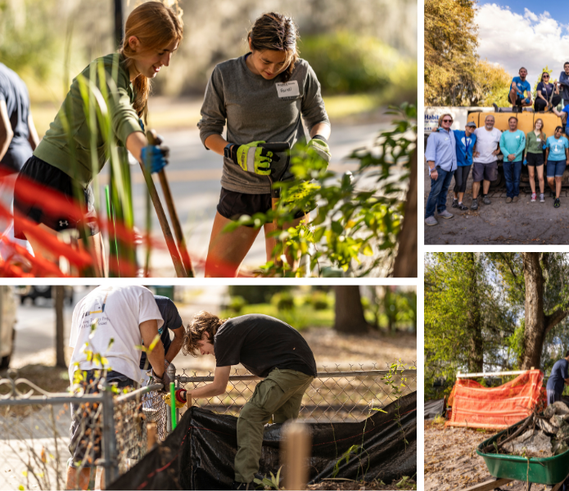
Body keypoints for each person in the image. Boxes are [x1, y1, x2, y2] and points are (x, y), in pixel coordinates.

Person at [13, 2, 182, 276]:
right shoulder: (107, 72)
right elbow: (120, 115)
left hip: (76, 186)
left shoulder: (131, 82)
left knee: (99, 276)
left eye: (171, 53)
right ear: (134, 43)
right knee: (66, 279)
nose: (166, 62)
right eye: (161, 52)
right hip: (48, 182)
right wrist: (142, 150)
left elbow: (121, 126)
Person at [199, 13, 331, 277]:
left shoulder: (301, 71)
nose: (272, 70)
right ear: (251, 44)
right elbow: (208, 132)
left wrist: (319, 142)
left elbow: (319, 119)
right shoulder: (225, 75)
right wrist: (235, 152)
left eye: (282, 62)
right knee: (216, 274)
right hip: (240, 190)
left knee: (285, 275)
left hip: (291, 187)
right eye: (265, 61)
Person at [181, 312, 316, 490]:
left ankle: (244, 482)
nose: (203, 352)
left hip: (288, 369)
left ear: (206, 334)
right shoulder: (232, 329)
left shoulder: (222, 335)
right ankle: (288, 480)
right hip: (303, 368)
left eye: (200, 345)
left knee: (250, 415)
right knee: (284, 427)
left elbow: (219, 386)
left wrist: (185, 395)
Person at [66, 285, 168, 490]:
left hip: (82, 377)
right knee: (114, 454)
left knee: (83, 454)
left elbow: (73, 350)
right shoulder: (141, 293)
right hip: (118, 375)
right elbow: (152, 344)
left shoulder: (86, 299)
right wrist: (159, 375)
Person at [0, 63, 40, 180]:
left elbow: (5, 133)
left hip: (6, 164)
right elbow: (32, 137)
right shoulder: (16, 79)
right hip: (25, 162)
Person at [138, 294, 185, 378]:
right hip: (130, 365)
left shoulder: (164, 305)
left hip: (158, 365)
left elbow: (180, 335)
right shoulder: (121, 309)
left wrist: (164, 364)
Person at [425, 114, 456, 226]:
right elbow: (429, 154)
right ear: (440, 121)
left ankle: (442, 210)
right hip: (439, 169)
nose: (448, 122)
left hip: (450, 168)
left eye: (450, 120)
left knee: (444, 190)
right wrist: (433, 169)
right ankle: (429, 215)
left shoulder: (452, 133)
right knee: (435, 192)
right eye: (445, 120)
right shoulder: (434, 135)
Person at [470, 115, 502, 211]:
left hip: (491, 160)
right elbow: (470, 140)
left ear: (494, 122)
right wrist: (472, 151)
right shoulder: (477, 131)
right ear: (485, 121)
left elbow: (502, 143)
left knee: (487, 179)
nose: (489, 122)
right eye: (488, 120)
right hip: (479, 160)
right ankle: (474, 199)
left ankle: (485, 196)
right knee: (477, 180)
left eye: (491, 121)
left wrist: (498, 150)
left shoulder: (497, 132)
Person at [451, 121, 477, 211]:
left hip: (468, 162)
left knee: (464, 182)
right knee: (459, 182)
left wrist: (474, 152)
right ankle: (455, 198)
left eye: (473, 127)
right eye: (470, 127)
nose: (471, 128)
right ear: (466, 127)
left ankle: (460, 202)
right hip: (458, 162)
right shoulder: (458, 133)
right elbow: (447, 130)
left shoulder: (474, 136)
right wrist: (436, 129)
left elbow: (473, 147)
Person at [500, 117, 526, 203]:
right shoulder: (504, 134)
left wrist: (514, 155)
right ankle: (509, 195)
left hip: (517, 160)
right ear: (509, 123)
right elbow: (502, 146)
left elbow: (522, 145)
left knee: (516, 178)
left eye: (514, 122)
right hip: (507, 160)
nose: (512, 124)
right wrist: (508, 155)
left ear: (516, 123)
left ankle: (515, 195)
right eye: (511, 122)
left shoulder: (521, 133)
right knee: (508, 179)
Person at [545, 126, 569, 209]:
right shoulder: (549, 139)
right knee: (549, 180)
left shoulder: (565, 140)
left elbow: (567, 150)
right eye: (557, 131)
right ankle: (553, 191)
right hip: (551, 160)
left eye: (560, 132)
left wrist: (568, 160)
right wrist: (546, 160)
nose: (558, 133)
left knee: (558, 178)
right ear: (555, 131)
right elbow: (547, 149)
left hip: (561, 160)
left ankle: (557, 198)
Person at [525, 118, 546, 202]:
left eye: (540, 123)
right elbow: (526, 146)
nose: (538, 124)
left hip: (539, 155)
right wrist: (525, 157)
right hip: (530, 154)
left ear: (541, 125)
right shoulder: (529, 134)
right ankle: (533, 194)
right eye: (537, 123)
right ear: (535, 124)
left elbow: (543, 145)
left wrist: (543, 145)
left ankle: (541, 194)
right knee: (531, 176)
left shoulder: (543, 134)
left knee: (540, 177)